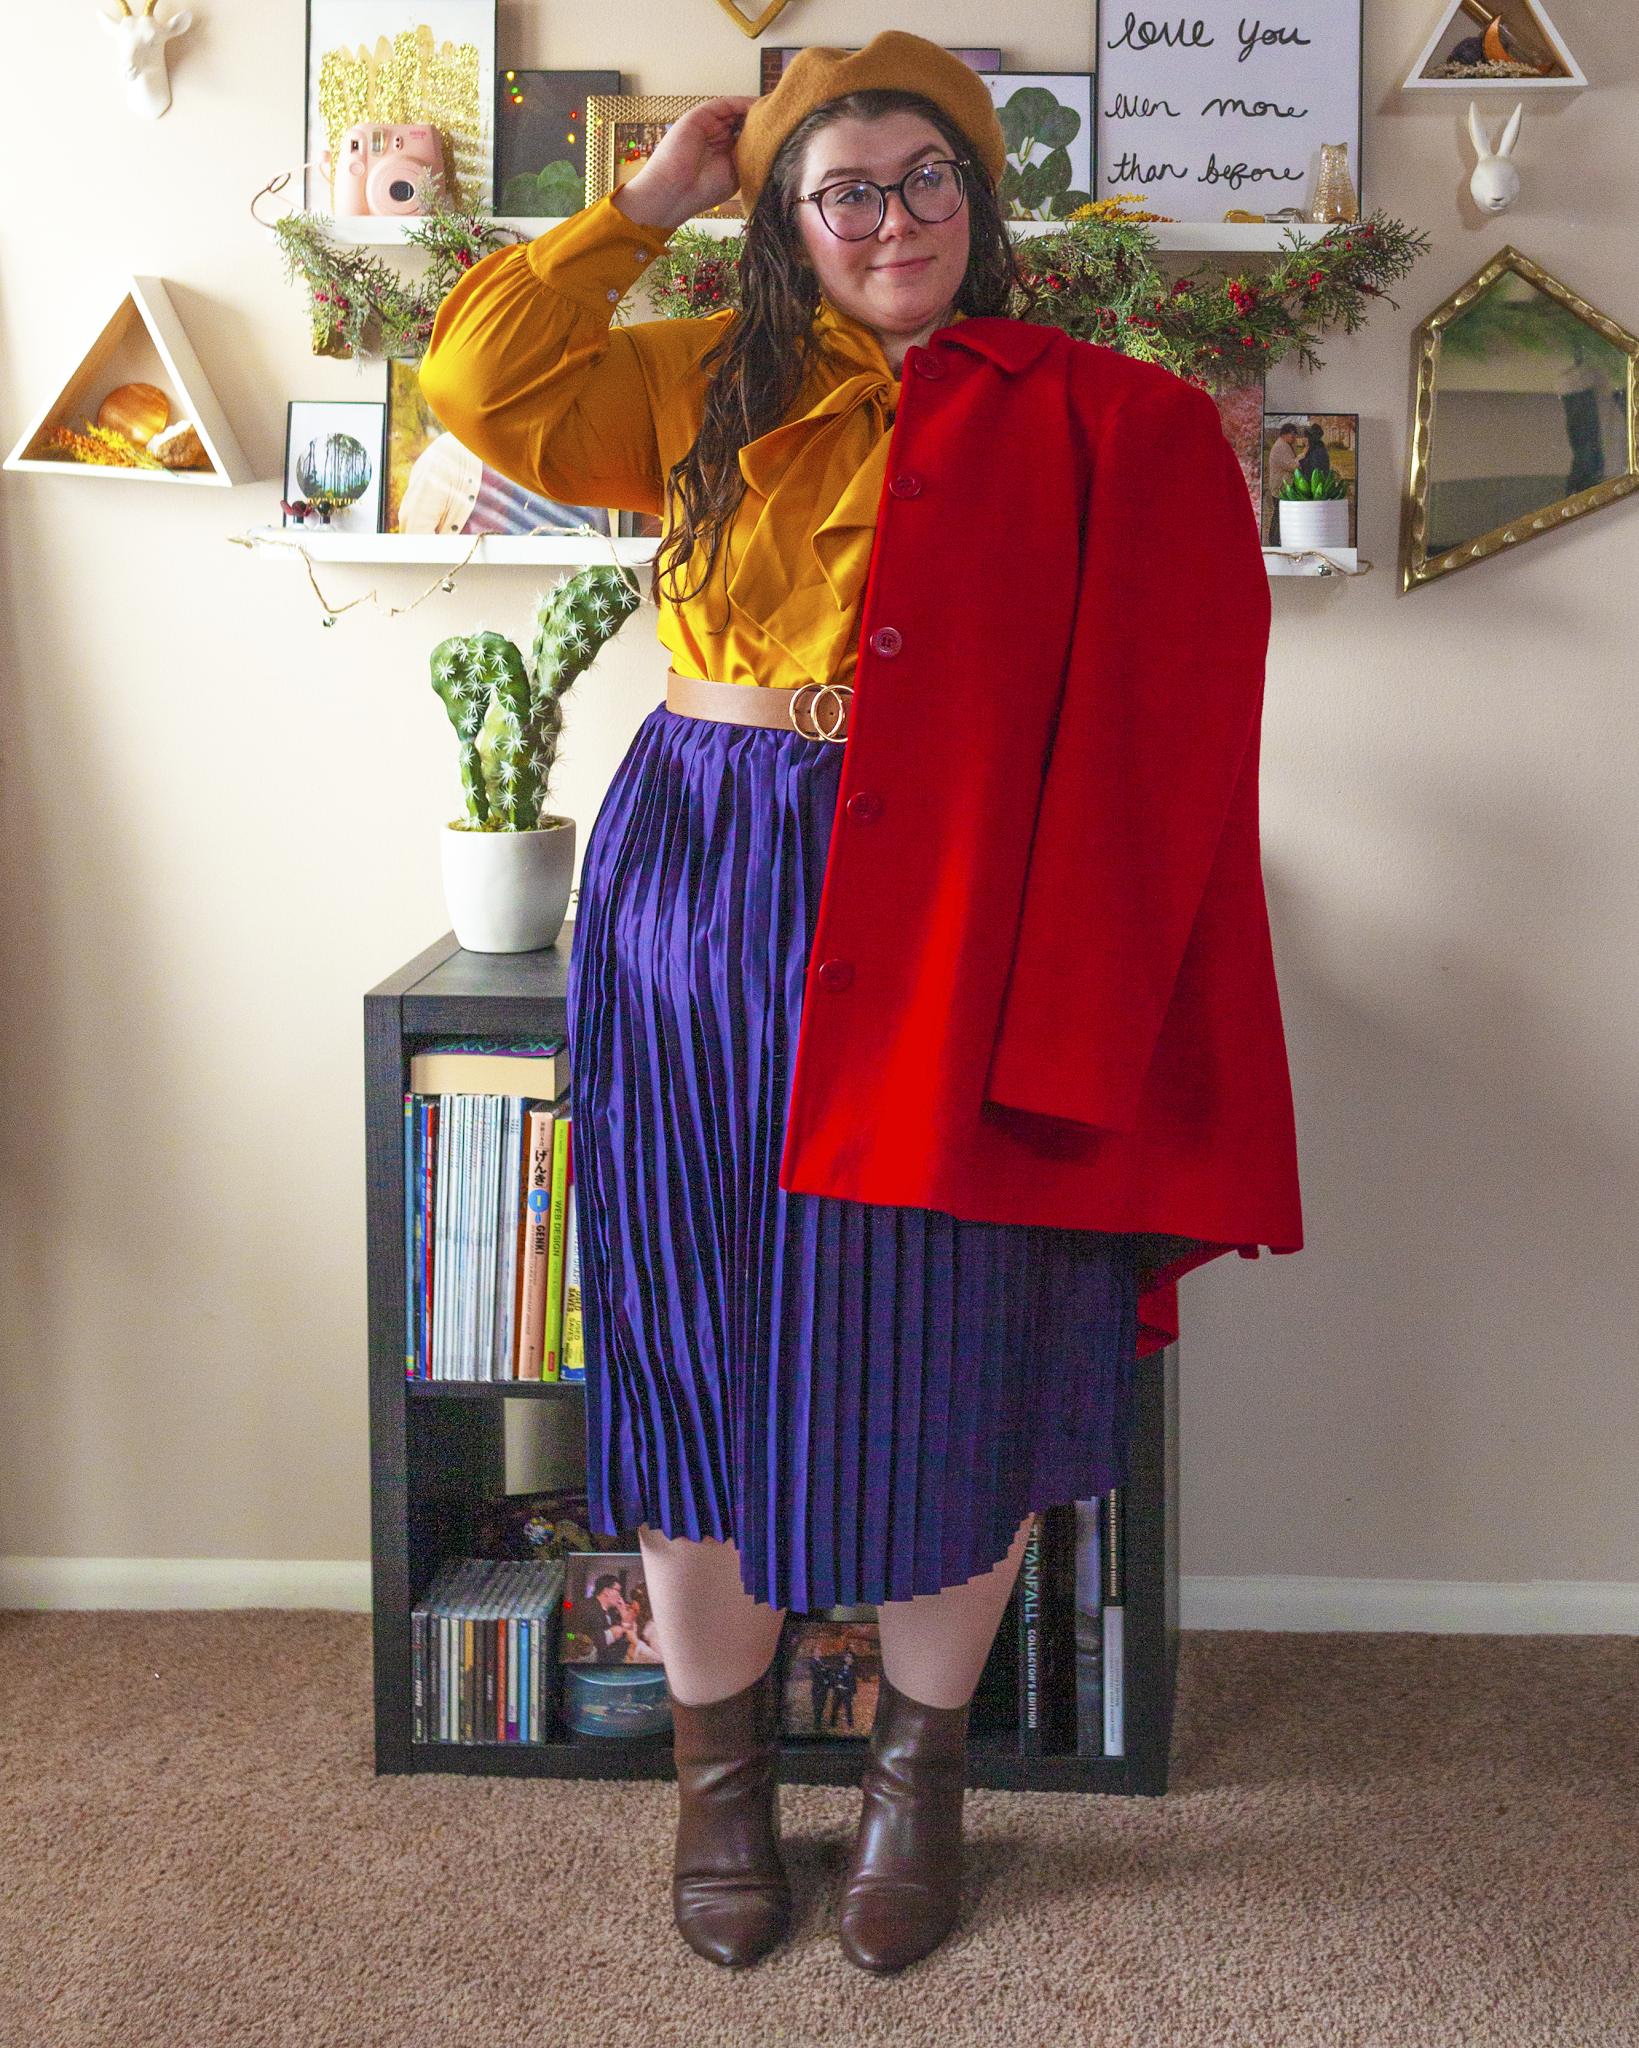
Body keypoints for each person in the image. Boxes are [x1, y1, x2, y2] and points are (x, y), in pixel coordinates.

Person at [421, 31, 1300, 1975]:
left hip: (953, 900)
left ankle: (920, 1778)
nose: (887, 217)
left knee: (946, 1331)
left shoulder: (1075, 413)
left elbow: (1153, 696)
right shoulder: (696, 381)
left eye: (925, 181)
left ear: (978, 210)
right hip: (709, 882)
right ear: (787, 215)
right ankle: (721, 1783)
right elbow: (479, 386)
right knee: (694, 1326)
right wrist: (644, 202)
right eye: (844, 187)